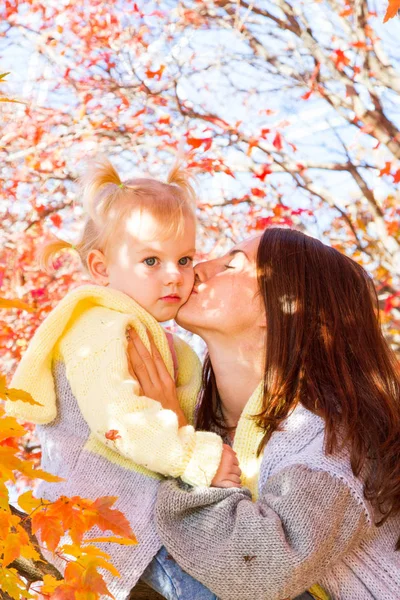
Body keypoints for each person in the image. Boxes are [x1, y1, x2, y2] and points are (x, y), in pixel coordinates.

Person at [5, 156, 240, 600]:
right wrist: (197, 459)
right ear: (101, 268)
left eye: (185, 259)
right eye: (151, 260)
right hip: (106, 508)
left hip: (149, 513)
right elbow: (118, 419)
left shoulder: (175, 348)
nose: (175, 274)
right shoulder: (100, 325)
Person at [128, 227, 400, 600]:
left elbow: (260, 569)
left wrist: (177, 443)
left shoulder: (334, 439)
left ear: (285, 306)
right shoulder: (204, 421)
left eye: (232, 265)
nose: (200, 269)